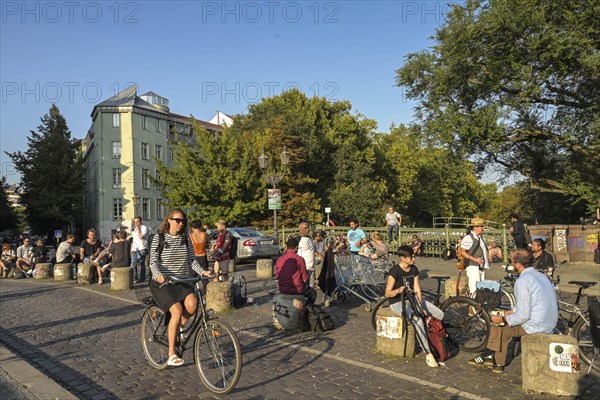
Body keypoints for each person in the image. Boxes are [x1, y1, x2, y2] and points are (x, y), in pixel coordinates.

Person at [468, 248, 558, 373]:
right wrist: (509, 311)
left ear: (518, 265)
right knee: (502, 320)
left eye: (511, 262)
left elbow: (523, 316)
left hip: (536, 326)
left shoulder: (522, 281)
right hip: (550, 322)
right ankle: (490, 358)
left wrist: (503, 318)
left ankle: (493, 360)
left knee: (499, 326)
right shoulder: (541, 275)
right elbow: (530, 304)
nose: (510, 265)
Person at [149, 208, 211, 367]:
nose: (180, 223)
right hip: (163, 282)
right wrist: (158, 275)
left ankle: (178, 328)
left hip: (182, 280)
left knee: (192, 304)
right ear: (169, 220)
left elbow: (192, 260)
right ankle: (171, 354)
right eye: (177, 220)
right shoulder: (159, 238)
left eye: (183, 221)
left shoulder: (185, 238)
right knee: (176, 310)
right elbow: (153, 262)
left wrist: (203, 271)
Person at [385, 245, 444, 368]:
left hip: (412, 298)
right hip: (397, 302)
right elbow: (387, 293)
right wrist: (398, 290)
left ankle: (432, 337)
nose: (413, 259)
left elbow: (417, 289)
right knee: (417, 320)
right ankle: (428, 353)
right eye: (411, 257)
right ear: (402, 258)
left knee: (439, 314)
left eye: (413, 256)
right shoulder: (394, 271)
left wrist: (421, 305)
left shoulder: (413, 269)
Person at [275, 237, 317, 305]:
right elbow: (305, 279)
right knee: (313, 294)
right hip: (297, 290)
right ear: (296, 247)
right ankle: (307, 309)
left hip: (282, 289)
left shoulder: (279, 259)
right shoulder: (299, 259)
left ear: (286, 247)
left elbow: (277, 276)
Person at [459, 218, 490, 295]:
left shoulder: (480, 237)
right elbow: (462, 251)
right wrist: (475, 259)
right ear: (476, 227)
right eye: (481, 226)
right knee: (474, 288)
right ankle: (473, 305)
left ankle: (477, 305)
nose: (483, 228)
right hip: (473, 266)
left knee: (481, 288)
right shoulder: (469, 238)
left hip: (481, 266)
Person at [297, 222, 316, 288]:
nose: (308, 229)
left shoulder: (310, 238)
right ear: (300, 229)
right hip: (303, 269)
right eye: (305, 228)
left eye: (308, 228)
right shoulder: (297, 239)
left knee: (311, 289)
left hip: (312, 268)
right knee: (303, 288)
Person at [131, 216, 149, 283]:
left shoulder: (144, 227)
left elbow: (141, 236)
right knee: (133, 263)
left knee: (141, 263)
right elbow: (134, 239)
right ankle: (134, 278)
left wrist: (138, 228)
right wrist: (131, 248)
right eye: (134, 222)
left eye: (137, 221)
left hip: (142, 248)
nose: (136, 223)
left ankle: (142, 278)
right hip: (135, 248)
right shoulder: (135, 229)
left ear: (140, 221)